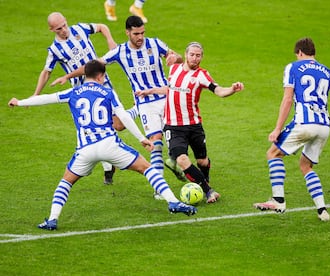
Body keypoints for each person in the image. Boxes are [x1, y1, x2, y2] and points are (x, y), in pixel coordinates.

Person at [8, 60, 197, 231]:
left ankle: (52, 219)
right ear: (100, 76)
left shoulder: (73, 92)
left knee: (66, 182)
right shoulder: (107, 92)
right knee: (147, 168)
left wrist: (20, 102)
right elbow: (122, 117)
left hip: (85, 149)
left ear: (85, 75)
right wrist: (141, 138)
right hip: (109, 144)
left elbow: (47, 98)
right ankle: (173, 202)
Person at [51, 16, 187, 199]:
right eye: (136, 33)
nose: (140, 37)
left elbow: (178, 59)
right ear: (128, 32)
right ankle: (159, 189)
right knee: (155, 141)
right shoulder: (120, 52)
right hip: (145, 102)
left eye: (142, 33)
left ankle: (178, 161)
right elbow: (93, 66)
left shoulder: (155, 44)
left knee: (179, 135)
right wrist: (68, 77)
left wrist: (174, 57)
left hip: (168, 96)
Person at [253, 37, 330, 221]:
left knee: (273, 153)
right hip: (324, 127)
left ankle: (278, 200)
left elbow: (288, 99)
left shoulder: (293, 67)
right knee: (306, 166)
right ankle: (322, 211)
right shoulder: (327, 72)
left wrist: (277, 129)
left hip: (304, 123)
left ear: (299, 52)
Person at [137, 41, 244, 203]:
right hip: (173, 127)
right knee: (182, 159)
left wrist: (232, 89)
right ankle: (208, 191)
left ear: (202, 57)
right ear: (186, 55)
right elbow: (170, 89)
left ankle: (203, 180)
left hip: (193, 125)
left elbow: (219, 91)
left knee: (203, 161)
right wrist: (150, 91)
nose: (194, 58)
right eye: (192, 55)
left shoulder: (202, 75)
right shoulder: (174, 69)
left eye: (198, 56)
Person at [34, 12, 118, 185]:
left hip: (103, 85)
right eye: (59, 28)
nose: (64, 30)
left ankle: (108, 160)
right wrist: (36, 94)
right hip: (81, 94)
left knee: (116, 123)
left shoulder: (80, 28)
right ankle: (106, 165)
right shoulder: (55, 50)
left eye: (64, 25)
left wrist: (109, 40)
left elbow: (102, 27)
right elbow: (46, 71)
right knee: (89, 128)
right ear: (51, 30)